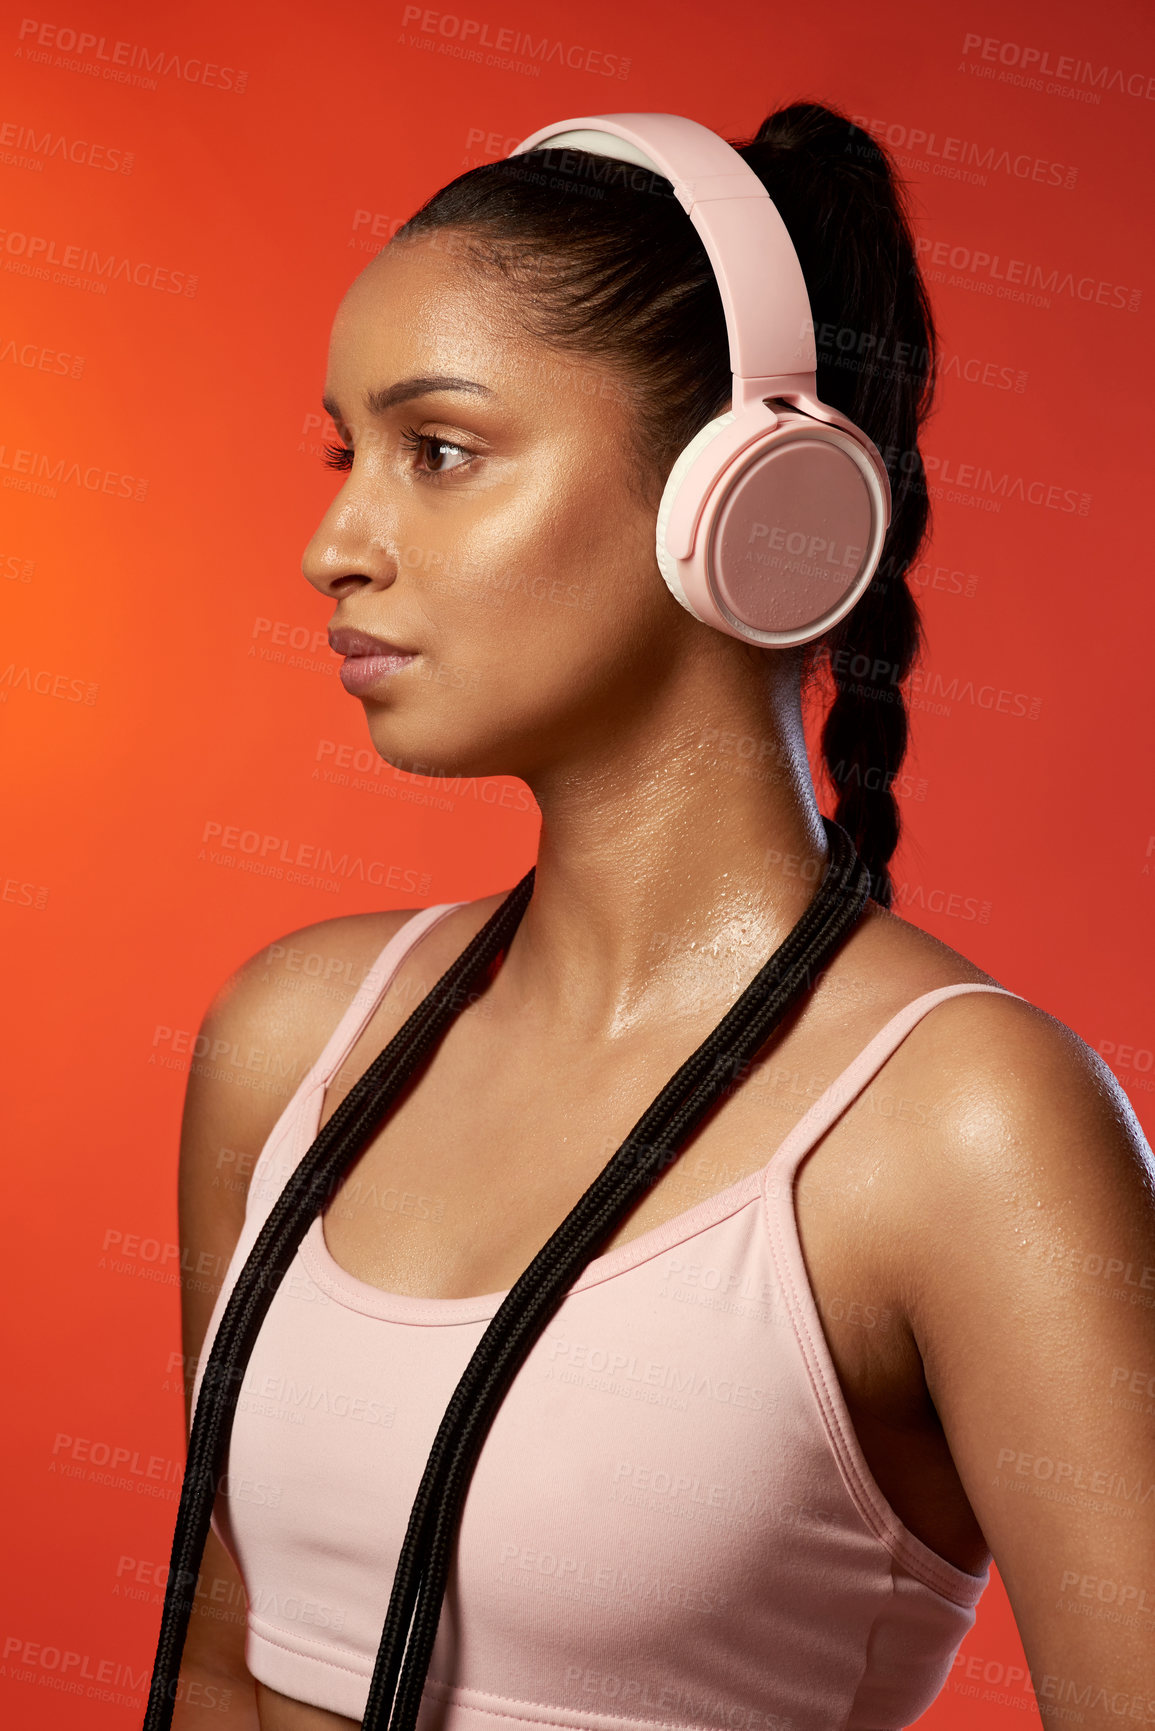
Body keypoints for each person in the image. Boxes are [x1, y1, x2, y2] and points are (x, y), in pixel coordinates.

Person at [170, 103, 1154, 1730]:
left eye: (439, 451)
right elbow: (217, 1670)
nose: (333, 545)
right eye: (348, 455)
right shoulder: (295, 1043)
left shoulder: (965, 1129)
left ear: (749, 499)